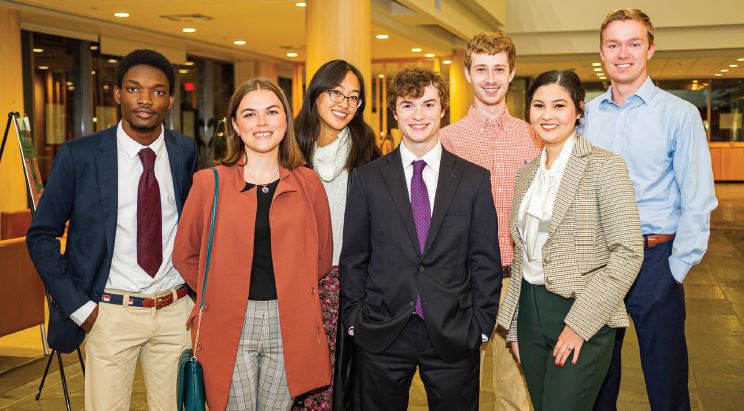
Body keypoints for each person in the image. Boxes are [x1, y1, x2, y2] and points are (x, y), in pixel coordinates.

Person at [26, 49, 197, 410]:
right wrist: (78, 307)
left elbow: (192, 226)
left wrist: (195, 298)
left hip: (174, 313)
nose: (146, 99)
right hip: (109, 313)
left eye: (158, 91)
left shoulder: (184, 151)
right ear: (117, 93)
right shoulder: (80, 155)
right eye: (135, 89)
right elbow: (40, 235)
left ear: (170, 99)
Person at [340, 67, 502, 410]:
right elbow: (355, 257)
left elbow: (485, 260)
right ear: (394, 111)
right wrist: (355, 320)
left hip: (454, 330)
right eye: (408, 105)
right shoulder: (367, 179)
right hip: (382, 330)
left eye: (428, 105)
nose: (419, 115)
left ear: (443, 109)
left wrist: (482, 326)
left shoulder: (473, 180)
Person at [173, 78, 333, 410]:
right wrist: (217, 292)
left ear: (285, 120)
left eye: (271, 112)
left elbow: (322, 256)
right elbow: (185, 254)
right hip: (228, 322)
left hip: (291, 322)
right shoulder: (208, 184)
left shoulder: (308, 184)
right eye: (249, 114)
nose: (261, 122)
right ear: (234, 124)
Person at [585, 9, 717, 411]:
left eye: (633, 43)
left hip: (654, 260)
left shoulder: (679, 114)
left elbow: (698, 196)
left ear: (650, 49)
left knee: (666, 376)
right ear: (602, 52)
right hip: (599, 261)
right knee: (597, 376)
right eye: (613, 44)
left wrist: (676, 268)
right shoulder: (585, 115)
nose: (622, 53)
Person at [496, 70, 643, 411]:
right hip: (530, 312)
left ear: (578, 109)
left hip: (581, 310)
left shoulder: (604, 166)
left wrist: (579, 325)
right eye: (539, 105)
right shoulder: (527, 174)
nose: (547, 115)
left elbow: (627, 252)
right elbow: (522, 256)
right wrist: (515, 326)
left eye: (559, 105)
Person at [439, 31, 542, 411]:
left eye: (499, 68)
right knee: (455, 387)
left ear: (512, 72)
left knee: (517, 391)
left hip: (519, 278)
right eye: (481, 69)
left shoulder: (534, 138)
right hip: (462, 281)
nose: (490, 78)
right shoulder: (446, 140)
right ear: (467, 73)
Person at [293, 59, 380, 410]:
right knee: (297, 370)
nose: (344, 103)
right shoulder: (290, 147)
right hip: (296, 280)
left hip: (348, 280)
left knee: (340, 379)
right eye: (336, 93)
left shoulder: (366, 150)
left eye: (354, 97)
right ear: (316, 93)